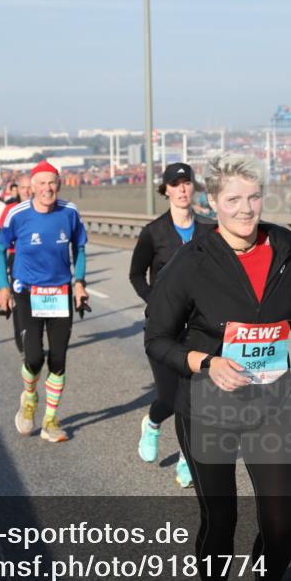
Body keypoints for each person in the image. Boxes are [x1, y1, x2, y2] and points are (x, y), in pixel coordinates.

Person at [145, 152, 291, 581]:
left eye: (253, 197)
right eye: (233, 200)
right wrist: (203, 362)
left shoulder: (286, 245)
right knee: (221, 520)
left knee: (283, 521)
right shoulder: (193, 260)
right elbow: (158, 339)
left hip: (271, 404)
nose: (246, 209)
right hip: (208, 407)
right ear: (213, 203)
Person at [130, 163, 213, 488]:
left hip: (199, 330)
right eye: (174, 184)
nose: (181, 189)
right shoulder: (154, 232)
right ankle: (152, 424)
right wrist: (155, 302)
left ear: (193, 188)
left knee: (192, 400)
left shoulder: (209, 230)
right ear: (164, 190)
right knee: (168, 397)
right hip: (163, 331)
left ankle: (185, 458)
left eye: (186, 183)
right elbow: (136, 274)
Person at [0, 161, 89, 443]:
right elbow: (0, 249)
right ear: (32, 187)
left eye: (53, 182)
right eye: (42, 183)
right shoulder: (18, 214)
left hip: (60, 292)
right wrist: (3, 287)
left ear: (59, 184)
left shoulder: (69, 212)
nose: (48, 188)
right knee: (34, 357)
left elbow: (80, 247)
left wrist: (80, 281)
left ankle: (50, 420)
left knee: (58, 359)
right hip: (27, 291)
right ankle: (30, 399)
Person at [0, 175, 32, 355]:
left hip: (37, 261)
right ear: (17, 190)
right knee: (19, 301)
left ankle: (34, 339)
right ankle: (23, 343)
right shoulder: (10, 210)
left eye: (29, 188)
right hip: (15, 257)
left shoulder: (43, 208)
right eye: (22, 188)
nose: (26, 192)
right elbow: (2, 239)